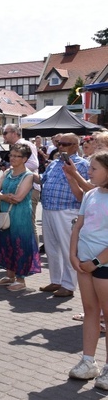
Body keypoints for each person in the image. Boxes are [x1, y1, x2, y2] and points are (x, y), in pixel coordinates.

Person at [67, 151, 108, 387]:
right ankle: (88, 361)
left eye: (93, 169)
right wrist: (73, 255)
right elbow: (78, 226)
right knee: (90, 311)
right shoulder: (90, 194)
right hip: (84, 264)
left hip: (101, 266)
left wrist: (96, 262)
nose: (88, 172)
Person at [38, 133, 89, 298]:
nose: (61, 147)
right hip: (48, 208)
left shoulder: (82, 165)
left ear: (75, 146)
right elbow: (43, 179)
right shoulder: (54, 163)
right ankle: (56, 280)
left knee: (68, 248)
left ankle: (68, 285)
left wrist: (73, 175)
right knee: (52, 248)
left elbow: (89, 188)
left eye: (65, 144)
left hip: (67, 210)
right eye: (59, 143)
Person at [0, 143, 41, 290]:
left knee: (20, 245)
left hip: (20, 215)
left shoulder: (28, 175)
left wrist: (1, 196)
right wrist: (4, 196)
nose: (12, 158)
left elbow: (19, 198)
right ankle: (9, 275)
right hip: (6, 212)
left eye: (16, 156)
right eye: (11, 155)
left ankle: (20, 280)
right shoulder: (7, 172)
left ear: (25, 159)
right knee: (6, 243)